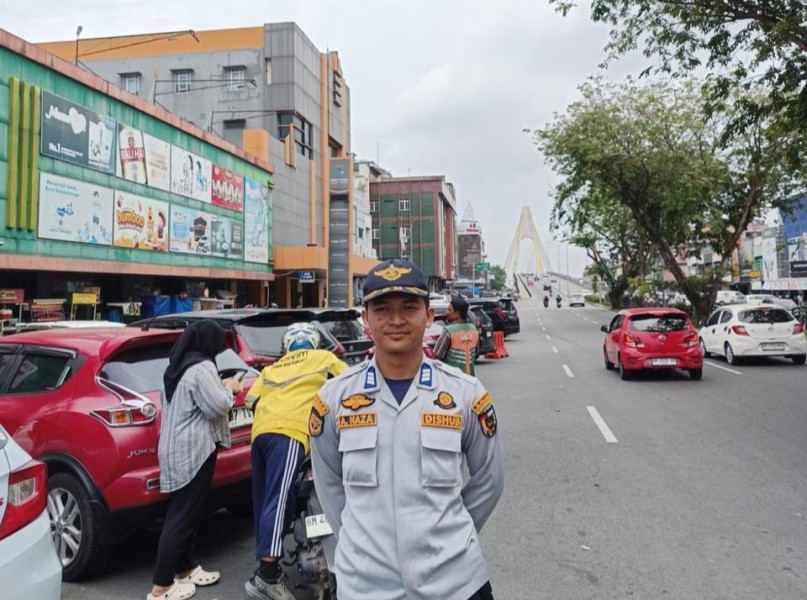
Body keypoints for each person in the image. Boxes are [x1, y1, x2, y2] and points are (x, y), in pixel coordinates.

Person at [310, 258, 504, 600]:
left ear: (429, 316)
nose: (396, 320)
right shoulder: (334, 399)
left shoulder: (465, 394)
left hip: (456, 584)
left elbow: (489, 481)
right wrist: (363, 548)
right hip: (366, 588)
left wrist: (451, 539)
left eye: (409, 308)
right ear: (365, 318)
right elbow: (329, 488)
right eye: (382, 309)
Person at [244, 323, 347, 600]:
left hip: (262, 433)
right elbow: (350, 385)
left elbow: (250, 400)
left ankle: (267, 563)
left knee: (268, 502)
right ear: (313, 342)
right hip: (290, 432)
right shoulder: (324, 358)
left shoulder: (271, 368)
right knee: (278, 502)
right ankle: (267, 576)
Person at [149, 320, 242, 600]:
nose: (219, 346)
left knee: (185, 512)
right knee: (182, 517)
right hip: (193, 451)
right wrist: (231, 387)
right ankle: (162, 585)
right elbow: (218, 406)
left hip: (175, 449)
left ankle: (186, 568)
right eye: (216, 340)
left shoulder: (177, 367)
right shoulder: (202, 368)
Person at [433, 294, 480, 375]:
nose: (446, 312)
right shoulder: (474, 329)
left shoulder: (449, 331)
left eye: (449, 310)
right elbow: (475, 354)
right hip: (470, 379)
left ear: (457, 314)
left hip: (452, 380)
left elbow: (437, 356)